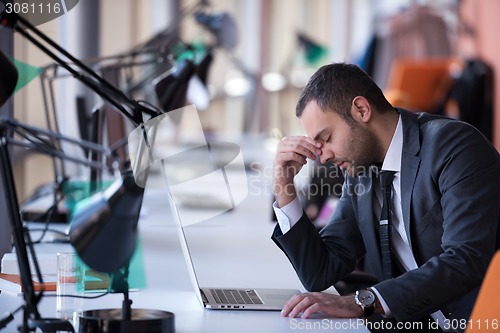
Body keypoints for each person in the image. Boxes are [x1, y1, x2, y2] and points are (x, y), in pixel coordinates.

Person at [271, 63, 500, 332]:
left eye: (327, 138)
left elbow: (465, 259)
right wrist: (283, 185)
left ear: (361, 110)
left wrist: (363, 302)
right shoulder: (361, 172)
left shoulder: (454, 147)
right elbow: (320, 271)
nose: (323, 156)